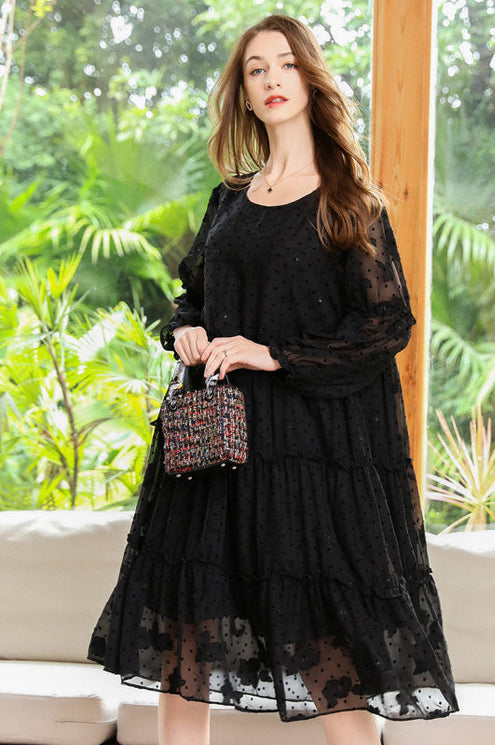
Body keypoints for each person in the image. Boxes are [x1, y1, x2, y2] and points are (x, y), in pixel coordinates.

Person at [87, 14, 459, 745]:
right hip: (212, 451)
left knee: (325, 644)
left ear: (310, 78)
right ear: (245, 92)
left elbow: (386, 324)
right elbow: (194, 298)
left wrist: (273, 353)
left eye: (285, 64)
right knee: (185, 640)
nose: (270, 79)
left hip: (301, 458)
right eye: (255, 69)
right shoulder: (229, 199)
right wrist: (186, 330)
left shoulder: (348, 200)